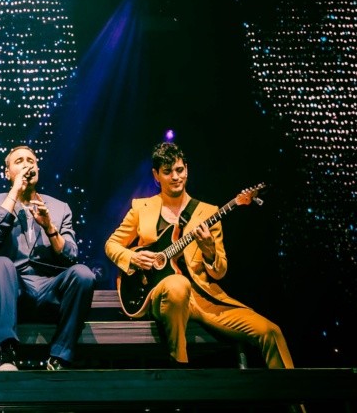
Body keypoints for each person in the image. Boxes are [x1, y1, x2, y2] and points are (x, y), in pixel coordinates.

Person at [104, 141, 298, 370]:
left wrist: (208, 250)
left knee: (271, 332)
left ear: (187, 169)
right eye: (167, 172)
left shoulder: (208, 212)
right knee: (177, 284)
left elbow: (220, 271)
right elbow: (112, 244)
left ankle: (296, 404)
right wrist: (133, 258)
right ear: (156, 175)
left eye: (179, 170)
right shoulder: (141, 207)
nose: (175, 177)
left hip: (203, 298)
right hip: (160, 294)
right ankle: (181, 370)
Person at [0, 145, 96, 371]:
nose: (26, 165)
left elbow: (71, 255)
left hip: (48, 287)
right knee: (1, 263)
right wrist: (14, 192)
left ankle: (60, 357)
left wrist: (50, 226)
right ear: (7, 172)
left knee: (83, 274)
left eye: (31, 161)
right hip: (12, 289)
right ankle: (5, 356)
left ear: (38, 168)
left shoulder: (60, 208)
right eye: (19, 161)